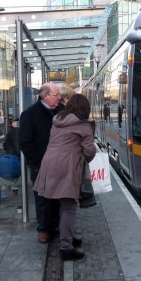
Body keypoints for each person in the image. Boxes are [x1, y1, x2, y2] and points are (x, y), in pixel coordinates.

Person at [33, 94, 96, 261]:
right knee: (69, 207)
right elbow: (90, 152)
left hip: (49, 165)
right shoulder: (83, 126)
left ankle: (67, 237)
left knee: (61, 205)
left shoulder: (57, 121)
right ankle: (66, 248)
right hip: (66, 169)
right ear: (85, 109)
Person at [18, 83, 62, 244]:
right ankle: (43, 229)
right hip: (40, 165)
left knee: (58, 196)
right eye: (56, 95)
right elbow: (24, 142)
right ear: (45, 96)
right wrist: (37, 161)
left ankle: (55, 225)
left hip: (60, 163)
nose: (59, 98)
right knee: (42, 197)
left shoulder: (61, 111)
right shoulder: (29, 114)